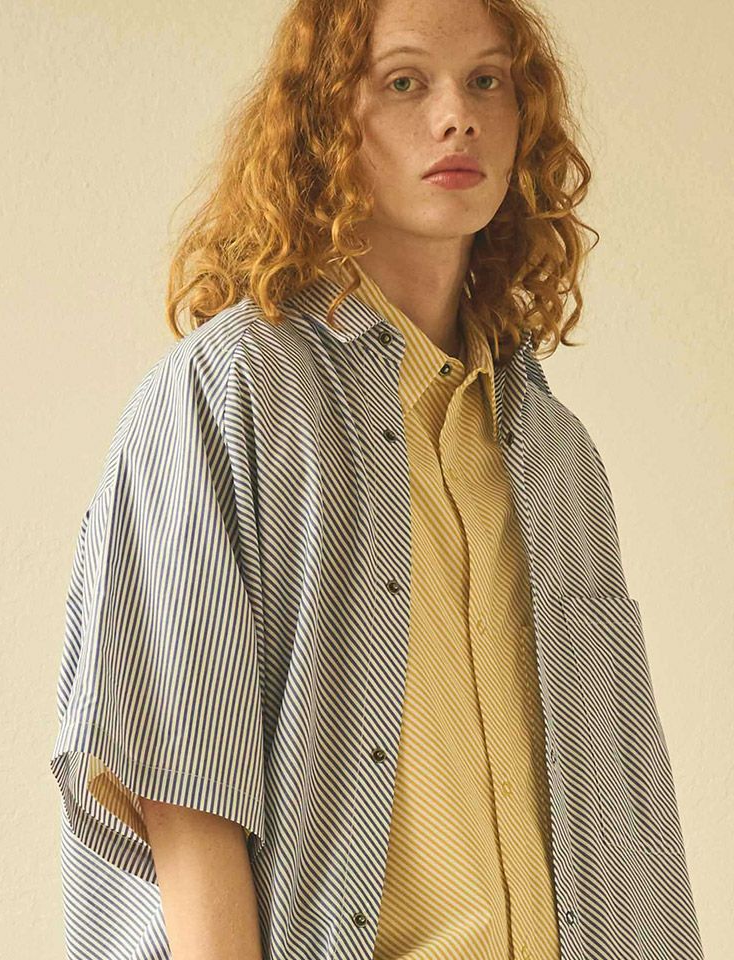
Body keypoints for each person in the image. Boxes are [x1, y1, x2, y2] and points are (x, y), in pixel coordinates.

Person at [49, 0, 706, 957]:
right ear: (326, 119)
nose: (457, 116)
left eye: (487, 81)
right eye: (405, 82)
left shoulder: (558, 455)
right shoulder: (232, 393)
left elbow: (627, 811)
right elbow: (179, 785)